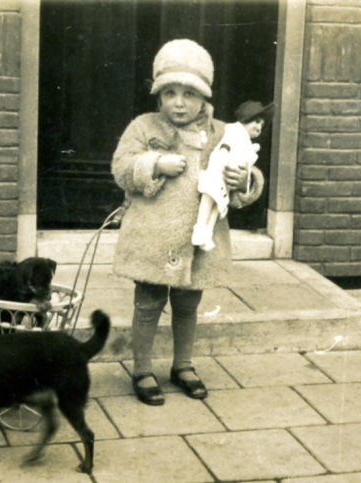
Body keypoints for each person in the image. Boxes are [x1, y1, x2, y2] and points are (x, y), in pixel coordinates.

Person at [111, 39, 265, 405]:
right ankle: (143, 369)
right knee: (148, 302)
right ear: (158, 95)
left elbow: (246, 167)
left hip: (199, 238)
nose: (178, 102)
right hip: (152, 236)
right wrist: (152, 164)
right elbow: (121, 166)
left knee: (187, 304)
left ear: (204, 97)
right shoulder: (143, 126)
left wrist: (241, 179)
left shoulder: (223, 132)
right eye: (169, 93)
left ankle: (183, 365)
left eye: (189, 94)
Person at [192, 100, 274, 251]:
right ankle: (200, 228)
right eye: (256, 122)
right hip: (217, 172)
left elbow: (247, 168)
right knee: (209, 199)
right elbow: (226, 145)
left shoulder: (231, 133)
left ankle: (207, 233)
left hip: (225, 178)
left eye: (261, 125)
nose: (259, 127)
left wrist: (246, 181)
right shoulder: (234, 131)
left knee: (218, 204)